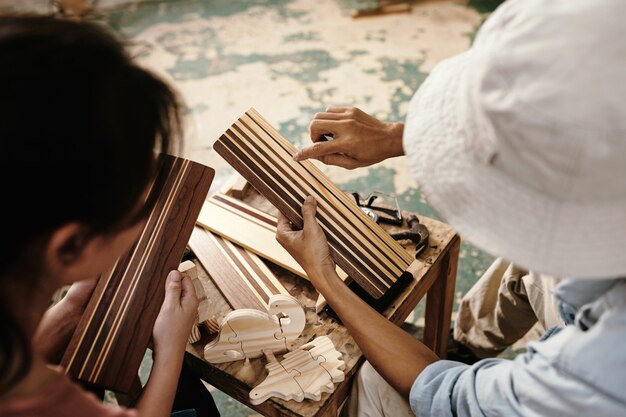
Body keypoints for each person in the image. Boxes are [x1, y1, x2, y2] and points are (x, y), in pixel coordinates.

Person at [275, 0, 626, 416]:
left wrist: (325, 277)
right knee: (534, 266)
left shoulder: (589, 376)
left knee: (374, 382)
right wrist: (396, 137)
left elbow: (444, 394)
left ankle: (453, 352)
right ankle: (463, 344)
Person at [0, 15, 218, 417]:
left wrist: (69, 309)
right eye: (135, 203)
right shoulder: (43, 402)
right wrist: (169, 351)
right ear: (72, 246)